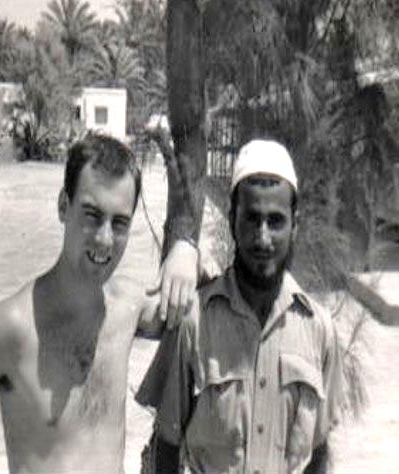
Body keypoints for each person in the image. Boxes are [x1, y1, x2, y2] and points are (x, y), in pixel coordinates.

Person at [0, 133, 199, 474]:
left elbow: (194, 306)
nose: (105, 239)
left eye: (119, 223)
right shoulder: (15, 327)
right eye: (92, 215)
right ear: (63, 206)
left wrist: (186, 251)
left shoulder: (128, 307)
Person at [137, 139, 344, 474]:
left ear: (295, 225)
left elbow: (318, 452)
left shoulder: (319, 330)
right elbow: (166, 447)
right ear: (232, 219)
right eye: (252, 219)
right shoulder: (194, 321)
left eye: (276, 221)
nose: (263, 238)